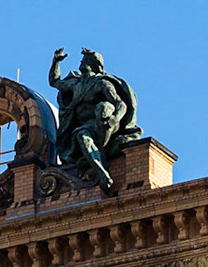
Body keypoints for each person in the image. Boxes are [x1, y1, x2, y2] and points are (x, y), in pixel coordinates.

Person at [49, 49, 140, 189]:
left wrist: (115, 118)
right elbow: (54, 82)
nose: (81, 62)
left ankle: (102, 151)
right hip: (86, 128)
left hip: (105, 123)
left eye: (84, 60)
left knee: (103, 107)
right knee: (82, 136)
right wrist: (56, 62)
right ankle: (102, 173)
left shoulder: (101, 84)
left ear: (92, 63)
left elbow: (120, 103)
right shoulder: (75, 85)